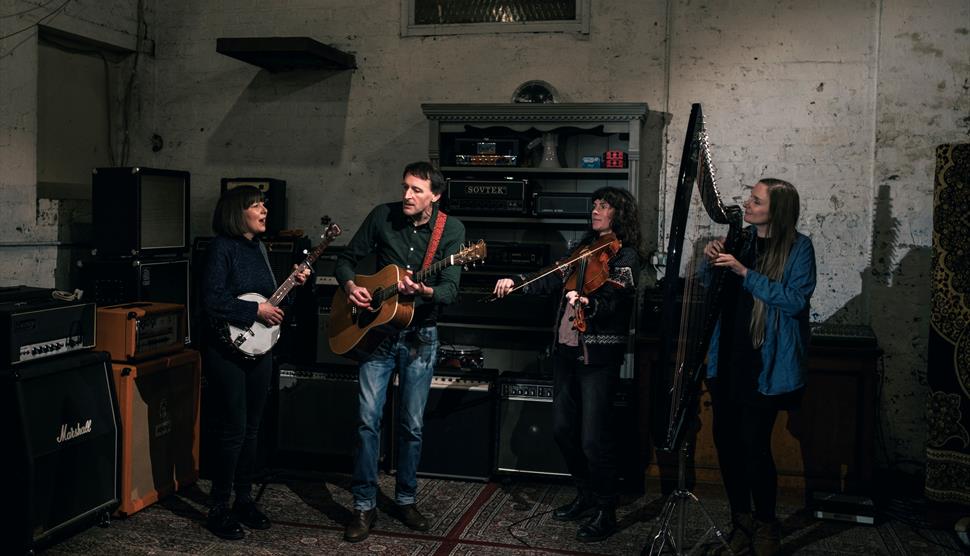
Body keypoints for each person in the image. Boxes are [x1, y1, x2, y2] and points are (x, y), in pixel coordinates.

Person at [493, 186, 642, 542]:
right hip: (566, 350)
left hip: (598, 357)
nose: (595, 211)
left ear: (619, 213)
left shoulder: (628, 257)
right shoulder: (582, 249)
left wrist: (589, 302)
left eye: (603, 206)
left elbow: (616, 299)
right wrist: (518, 282)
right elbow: (552, 276)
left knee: (593, 439)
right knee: (562, 429)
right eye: (594, 205)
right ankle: (586, 494)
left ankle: (606, 509)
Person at [334, 161, 465, 543]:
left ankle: (405, 498)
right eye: (405, 187)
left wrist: (424, 292)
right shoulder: (382, 216)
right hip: (377, 335)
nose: (407, 195)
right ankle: (364, 504)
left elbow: (450, 291)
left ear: (435, 196)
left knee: (411, 425)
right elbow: (345, 260)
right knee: (366, 420)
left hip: (420, 335)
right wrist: (349, 288)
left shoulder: (452, 231)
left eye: (417, 190)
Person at [702, 178, 816, 556]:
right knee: (727, 445)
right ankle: (740, 520)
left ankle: (767, 523)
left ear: (776, 211)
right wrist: (712, 260)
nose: (746, 205)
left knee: (755, 447)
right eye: (750, 198)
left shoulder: (800, 248)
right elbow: (713, 292)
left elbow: (795, 301)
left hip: (764, 364)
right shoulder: (740, 242)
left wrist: (744, 273)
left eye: (756, 201)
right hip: (727, 360)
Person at [201, 186, 310, 540]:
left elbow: (274, 307)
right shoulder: (222, 248)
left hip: (259, 352)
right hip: (226, 352)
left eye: (264, 204)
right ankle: (219, 507)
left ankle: (244, 499)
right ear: (237, 213)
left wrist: (296, 285)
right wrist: (255, 310)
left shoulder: (259, 249)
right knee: (233, 430)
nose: (265, 209)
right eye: (256, 205)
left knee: (252, 429)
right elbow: (211, 299)